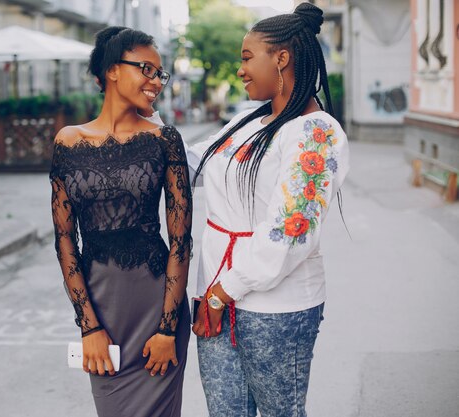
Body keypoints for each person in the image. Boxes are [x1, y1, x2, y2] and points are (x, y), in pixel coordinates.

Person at [188, 3, 350, 417]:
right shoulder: (247, 121)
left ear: (282, 58)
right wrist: (138, 128)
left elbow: (290, 232)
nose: (240, 69)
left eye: (246, 58)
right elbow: (191, 164)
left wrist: (225, 291)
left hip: (275, 308)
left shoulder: (316, 132)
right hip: (216, 296)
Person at [50, 26, 192, 417]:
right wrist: (88, 327)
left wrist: (167, 330)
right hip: (102, 309)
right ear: (113, 70)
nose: (155, 82)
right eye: (146, 69)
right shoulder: (68, 141)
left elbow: (181, 240)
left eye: (159, 74)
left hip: (158, 308)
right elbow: (65, 239)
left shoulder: (165, 140)